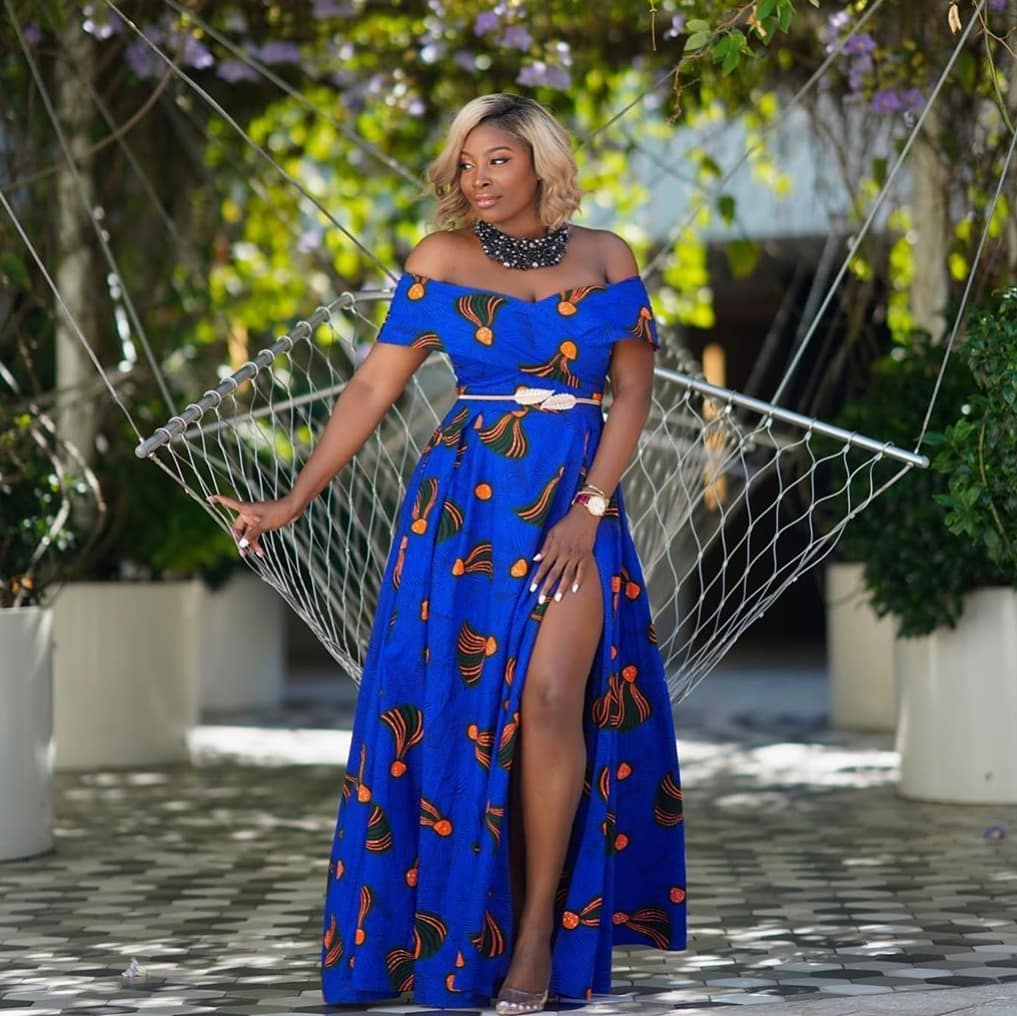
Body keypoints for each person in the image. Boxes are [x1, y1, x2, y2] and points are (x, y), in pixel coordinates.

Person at [211, 92, 686, 1013]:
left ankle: (536, 935)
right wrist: (294, 498)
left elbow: (632, 393)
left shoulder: (606, 256)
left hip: (575, 510)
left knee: (553, 700)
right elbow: (371, 388)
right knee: (464, 718)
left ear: (541, 162)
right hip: (464, 515)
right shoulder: (438, 259)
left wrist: (589, 507)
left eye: (496, 160)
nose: (477, 179)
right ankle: (462, 932)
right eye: (465, 164)